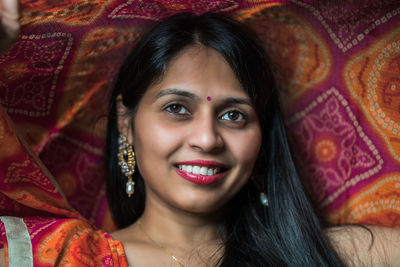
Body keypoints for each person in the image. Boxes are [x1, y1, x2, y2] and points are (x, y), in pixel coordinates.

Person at [0, 2, 399, 267]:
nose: (207, 139)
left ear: (262, 141)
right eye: (177, 108)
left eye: (233, 115)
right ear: (126, 121)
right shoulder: (66, 255)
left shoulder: (329, 254)